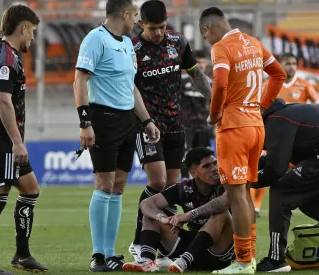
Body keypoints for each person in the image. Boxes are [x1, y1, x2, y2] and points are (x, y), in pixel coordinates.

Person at [187, 99, 319, 272]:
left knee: (280, 191)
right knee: (313, 204)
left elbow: (275, 170)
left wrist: (244, 182)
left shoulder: (278, 121)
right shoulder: (282, 115)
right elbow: (270, 159)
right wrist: (240, 172)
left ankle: (276, 259)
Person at [73, 0, 160, 271]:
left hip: (127, 121)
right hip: (103, 119)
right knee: (105, 183)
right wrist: (85, 122)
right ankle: (98, 255)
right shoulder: (95, 40)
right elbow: (79, 80)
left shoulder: (126, 43)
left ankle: (110, 252)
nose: (136, 20)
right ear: (124, 14)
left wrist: (146, 120)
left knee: (119, 185)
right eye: (135, 15)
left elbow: (130, 86)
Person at [199, 7, 286, 274]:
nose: (207, 42)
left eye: (205, 37)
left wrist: (214, 115)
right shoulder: (254, 43)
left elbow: (221, 84)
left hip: (234, 128)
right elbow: (279, 74)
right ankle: (249, 257)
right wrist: (261, 106)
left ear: (208, 29)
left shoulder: (222, 48)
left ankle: (244, 261)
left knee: (235, 196)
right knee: (244, 194)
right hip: (255, 126)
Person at [129, 0, 213, 263]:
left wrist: (214, 101)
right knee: (157, 182)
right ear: (140, 24)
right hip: (147, 124)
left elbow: (196, 75)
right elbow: (128, 88)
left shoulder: (178, 42)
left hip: (176, 124)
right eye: (153, 28)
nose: (158, 33)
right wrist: (145, 120)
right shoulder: (131, 48)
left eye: (162, 27)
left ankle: (165, 246)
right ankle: (139, 241)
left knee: (171, 188)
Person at [0, 5, 47, 275]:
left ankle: (22, 254)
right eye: (33, 32)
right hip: (1, 139)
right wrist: (17, 142)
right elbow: (3, 102)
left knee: (30, 190)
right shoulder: (6, 59)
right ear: (24, 28)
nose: (33, 39)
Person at [122, 148, 234, 273]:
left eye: (215, 163)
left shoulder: (225, 184)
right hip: (188, 248)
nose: (214, 168)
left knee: (221, 213)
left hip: (218, 253)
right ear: (193, 173)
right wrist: (163, 219)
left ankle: (184, 260)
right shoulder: (184, 188)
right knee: (151, 215)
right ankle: (146, 261)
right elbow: (146, 204)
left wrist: (187, 216)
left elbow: (224, 202)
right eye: (207, 166)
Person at [252, 53, 319, 218]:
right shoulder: (268, 84)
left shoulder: (304, 85)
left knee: (300, 169)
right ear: (279, 65)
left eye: (293, 63)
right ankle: (256, 206)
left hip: (299, 136)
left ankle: (309, 202)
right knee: (266, 165)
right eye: (287, 63)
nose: (291, 67)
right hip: (273, 135)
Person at [181, 50, 214, 180]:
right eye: (198, 62)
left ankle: (204, 181)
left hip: (204, 126)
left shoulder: (211, 83)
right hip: (186, 125)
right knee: (186, 155)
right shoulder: (182, 82)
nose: (201, 65)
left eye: (203, 62)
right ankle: (185, 180)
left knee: (204, 157)